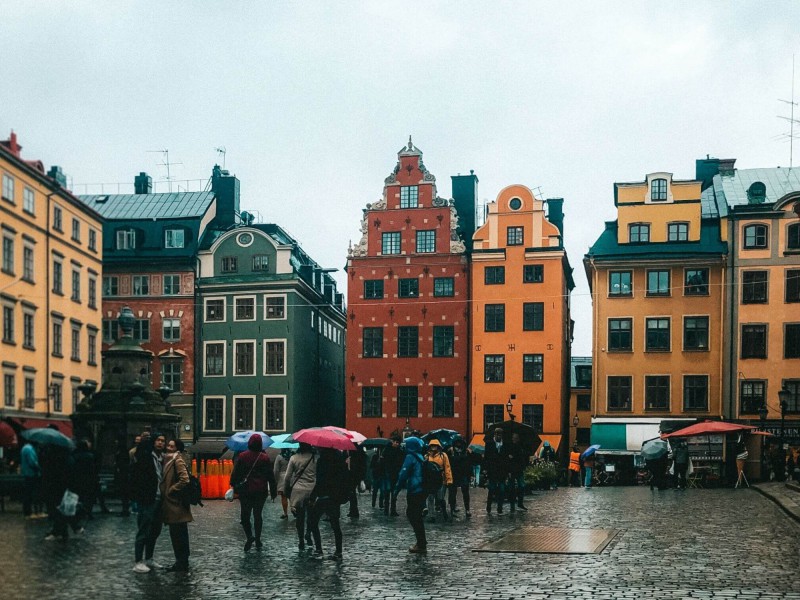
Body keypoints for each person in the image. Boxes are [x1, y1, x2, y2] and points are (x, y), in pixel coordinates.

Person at [230, 434, 276, 551]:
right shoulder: (264, 457)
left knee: (245, 515)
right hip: (260, 491)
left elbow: (236, 473)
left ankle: (250, 536)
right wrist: (274, 490)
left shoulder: (242, 456)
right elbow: (270, 475)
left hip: (246, 490)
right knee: (257, 515)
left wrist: (234, 485)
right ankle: (258, 539)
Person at [131, 433, 165, 573]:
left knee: (155, 530)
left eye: (163, 441)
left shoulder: (162, 458)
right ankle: (138, 562)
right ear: (153, 442)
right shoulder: (145, 456)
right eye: (158, 440)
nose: (160, 443)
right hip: (148, 499)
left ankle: (149, 558)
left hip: (160, 499)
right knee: (144, 530)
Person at [308, 448, 348, 560]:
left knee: (313, 521)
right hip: (335, 497)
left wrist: (312, 496)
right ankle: (338, 551)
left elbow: (320, 481)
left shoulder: (322, 461)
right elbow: (344, 479)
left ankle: (319, 549)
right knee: (335, 525)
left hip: (324, 496)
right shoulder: (340, 461)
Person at [161, 439, 192, 572]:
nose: (168, 447)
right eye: (168, 445)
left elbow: (184, 479)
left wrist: (172, 489)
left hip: (176, 503)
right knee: (178, 533)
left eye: (171, 446)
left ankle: (181, 561)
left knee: (178, 533)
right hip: (173, 503)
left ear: (177, 448)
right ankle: (181, 560)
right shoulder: (168, 459)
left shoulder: (177, 460)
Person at [393, 436, 426, 553]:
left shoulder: (410, 457)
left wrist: (396, 490)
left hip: (414, 489)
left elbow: (403, 474)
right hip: (421, 489)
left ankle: (421, 544)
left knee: (413, 515)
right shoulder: (420, 456)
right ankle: (422, 542)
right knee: (416, 516)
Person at [283, 442, 317, 552]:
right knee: (312, 516)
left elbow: (287, 477)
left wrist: (286, 490)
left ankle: (301, 539)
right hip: (312, 490)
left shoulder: (294, 458)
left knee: (300, 517)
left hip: (298, 491)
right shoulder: (315, 458)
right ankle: (308, 533)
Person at [424, 439, 453, 522]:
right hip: (430, 480)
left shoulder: (443, 455)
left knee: (440, 498)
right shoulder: (427, 456)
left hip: (441, 480)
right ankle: (431, 515)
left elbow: (447, 468)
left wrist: (449, 480)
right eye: (432, 445)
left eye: (435, 445)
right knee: (430, 497)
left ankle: (444, 511)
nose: (434, 447)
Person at [483, 427, 509, 514]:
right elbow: (486, 458)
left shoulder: (505, 445)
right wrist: (485, 469)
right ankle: (489, 507)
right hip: (492, 471)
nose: (498, 436)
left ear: (502, 435)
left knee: (501, 490)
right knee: (492, 489)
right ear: (494, 435)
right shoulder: (489, 444)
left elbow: (506, 459)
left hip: (502, 471)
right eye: (496, 434)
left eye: (499, 434)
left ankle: (499, 508)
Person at [447, 439, 472, 518]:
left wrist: (470, 474)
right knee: (452, 493)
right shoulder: (451, 452)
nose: (458, 445)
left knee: (465, 493)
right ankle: (452, 509)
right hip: (454, 475)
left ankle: (467, 509)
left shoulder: (466, 452)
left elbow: (470, 463)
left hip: (463, 474)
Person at [20, 440, 44, 519]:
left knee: (27, 494)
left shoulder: (25, 448)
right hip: (32, 475)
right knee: (32, 493)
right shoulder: (30, 449)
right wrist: (40, 469)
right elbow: (33, 462)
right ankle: (29, 513)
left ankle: (27, 512)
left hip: (27, 474)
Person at [381, 435, 404, 516]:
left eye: (398, 443)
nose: (397, 444)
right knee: (387, 492)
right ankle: (386, 509)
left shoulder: (400, 451)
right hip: (387, 474)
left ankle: (393, 510)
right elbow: (383, 462)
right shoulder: (387, 450)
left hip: (395, 474)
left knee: (394, 493)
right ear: (393, 442)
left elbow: (401, 462)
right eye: (396, 442)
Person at [506, 432, 530, 511]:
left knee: (521, 486)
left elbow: (523, 458)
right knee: (512, 488)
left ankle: (520, 503)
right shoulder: (509, 447)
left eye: (516, 438)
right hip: (512, 470)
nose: (515, 439)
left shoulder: (521, 447)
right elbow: (507, 460)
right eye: (514, 438)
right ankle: (512, 505)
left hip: (519, 469)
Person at [346, 446, 367, 518]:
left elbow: (361, 464)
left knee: (352, 493)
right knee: (352, 493)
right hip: (351, 474)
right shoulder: (348, 450)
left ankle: (354, 511)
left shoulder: (356, 451)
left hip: (354, 475)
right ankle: (353, 510)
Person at [273, 448, 292, 519]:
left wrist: (276, 480)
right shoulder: (292, 456)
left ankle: (285, 513)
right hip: (291, 477)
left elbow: (276, 470)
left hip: (282, 478)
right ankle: (294, 509)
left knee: (284, 496)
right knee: (291, 496)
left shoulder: (279, 457)